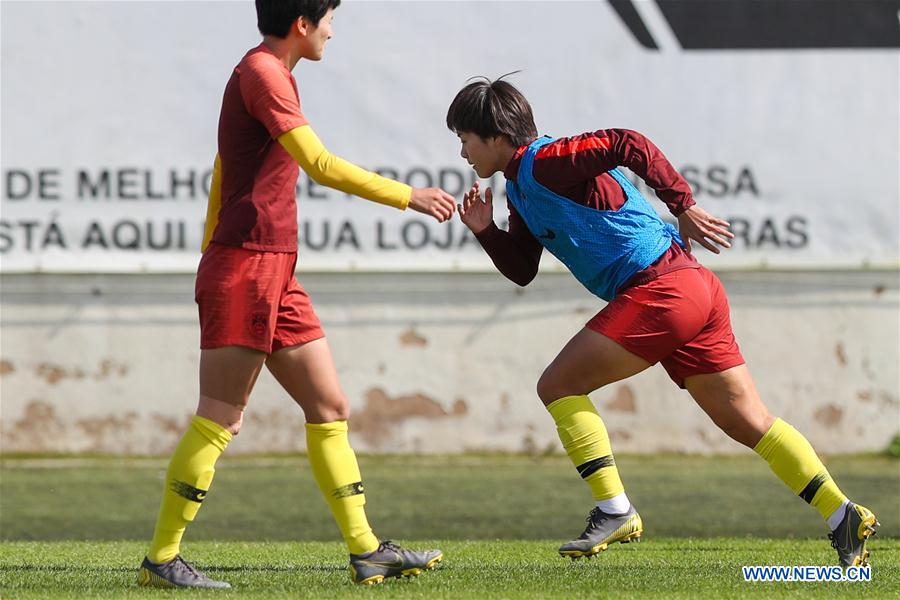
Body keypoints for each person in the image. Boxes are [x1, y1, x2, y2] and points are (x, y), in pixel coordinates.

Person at [446, 76, 878, 568]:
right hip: (690, 288)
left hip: (663, 289)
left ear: (497, 135)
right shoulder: (520, 189)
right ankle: (841, 514)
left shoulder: (546, 161)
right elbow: (523, 269)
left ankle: (614, 509)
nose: (462, 152)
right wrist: (485, 232)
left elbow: (629, 142)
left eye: (465, 138)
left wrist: (684, 206)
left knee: (558, 385)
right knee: (747, 421)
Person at [137, 0, 453, 588]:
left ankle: (366, 550)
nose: (334, 29)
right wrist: (408, 196)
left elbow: (224, 172)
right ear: (302, 24)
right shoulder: (262, 73)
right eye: (329, 17)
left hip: (275, 271)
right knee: (219, 420)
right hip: (248, 269)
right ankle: (161, 558)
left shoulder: (272, 75)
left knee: (330, 406)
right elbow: (321, 164)